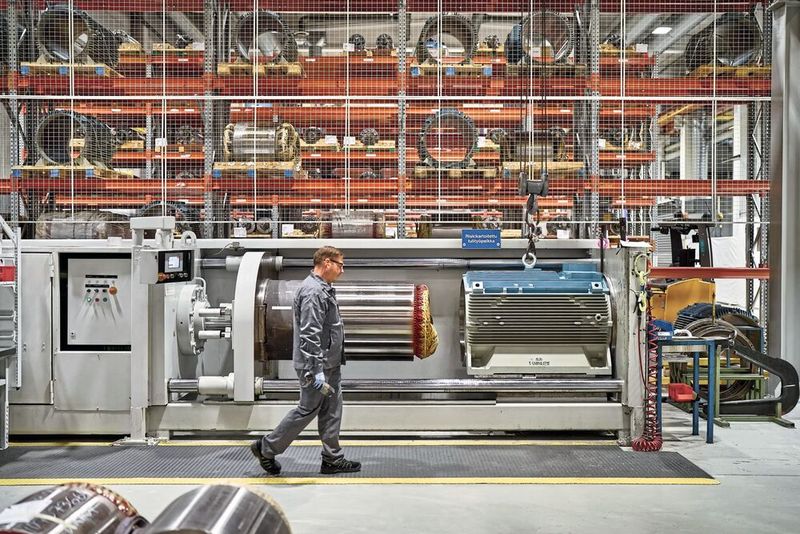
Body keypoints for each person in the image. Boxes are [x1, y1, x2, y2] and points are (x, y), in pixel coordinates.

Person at [251, 246, 361, 475]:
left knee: (332, 409)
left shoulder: (324, 289)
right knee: (307, 410)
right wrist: (315, 369)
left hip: (329, 363)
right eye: (340, 265)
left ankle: (332, 458)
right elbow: (310, 334)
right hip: (317, 366)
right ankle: (267, 447)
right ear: (327, 263)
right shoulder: (313, 292)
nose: (342, 270)